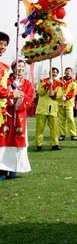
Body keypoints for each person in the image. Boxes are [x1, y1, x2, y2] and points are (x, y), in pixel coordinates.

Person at [0, 59, 34, 178]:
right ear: (13, 68)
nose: (20, 69)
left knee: (18, 141)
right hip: (7, 115)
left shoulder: (27, 83)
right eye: (18, 66)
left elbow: (30, 99)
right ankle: (2, 170)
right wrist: (11, 87)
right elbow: (2, 93)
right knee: (4, 141)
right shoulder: (6, 80)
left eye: (22, 67)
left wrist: (21, 96)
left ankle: (15, 169)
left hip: (20, 116)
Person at [0, 33, 25, 179]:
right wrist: (11, 94)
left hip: (14, 114)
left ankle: (11, 168)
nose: (3, 47)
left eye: (5, 44)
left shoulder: (26, 83)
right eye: (0, 43)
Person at [35, 66, 63, 151]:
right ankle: (39, 145)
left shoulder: (59, 83)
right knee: (40, 128)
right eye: (52, 72)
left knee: (54, 128)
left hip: (53, 108)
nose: (54, 74)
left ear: (57, 74)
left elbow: (60, 95)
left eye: (55, 72)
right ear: (49, 73)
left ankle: (55, 144)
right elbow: (40, 92)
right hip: (42, 108)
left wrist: (54, 94)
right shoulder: (42, 81)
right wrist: (47, 84)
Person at [58, 67, 77, 141]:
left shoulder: (73, 82)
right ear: (64, 72)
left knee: (70, 118)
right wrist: (60, 95)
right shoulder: (60, 81)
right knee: (61, 120)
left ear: (71, 73)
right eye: (67, 71)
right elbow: (56, 89)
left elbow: (74, 92)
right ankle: (62, 134)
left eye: (69, 71)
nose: (68, 72)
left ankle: (73, 134)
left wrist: (66, 97)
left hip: (69, 103)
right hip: (60, 102)